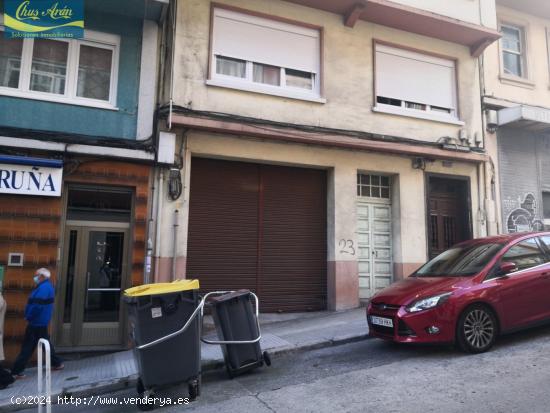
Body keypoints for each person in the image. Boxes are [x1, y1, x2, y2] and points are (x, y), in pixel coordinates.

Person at [11, 268, 64, 379]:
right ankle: (57, 363)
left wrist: (28, 316)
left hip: (36, 322)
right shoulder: (46, 287)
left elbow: (37, 306)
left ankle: (16, 370)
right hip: (40, 322)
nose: (35, 277)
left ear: (42, 276)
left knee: (28, 347)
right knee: (45, 344)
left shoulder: (43, 288)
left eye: (36, 275)